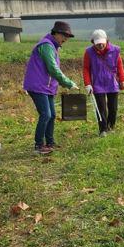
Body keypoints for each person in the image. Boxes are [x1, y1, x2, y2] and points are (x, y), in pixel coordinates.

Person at [22, 20, 78, 154]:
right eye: (64, 35)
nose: (66, 39)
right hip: (37, 86)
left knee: (52, 115)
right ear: (56, 33)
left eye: (68, 37)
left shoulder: (53, 46)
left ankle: (50, 142)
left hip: (46, 87)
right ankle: (39, 145)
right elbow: (53, 69)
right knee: (45, 114)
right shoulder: (46, 46)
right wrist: (68, 83)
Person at [82, 29, 124, 136]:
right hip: (98, 83)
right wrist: (88, 84)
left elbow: (119, 65)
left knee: (113, 108)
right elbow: (86, 69)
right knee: (101, 108)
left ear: (107, 40)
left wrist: (122, 79)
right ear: (93, 42)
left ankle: (111, 127)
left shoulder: (115, 50)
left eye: (102, 42)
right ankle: (103, 130)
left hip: (112, 82)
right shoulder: (89, 52)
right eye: (98, 43)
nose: (100, 45)